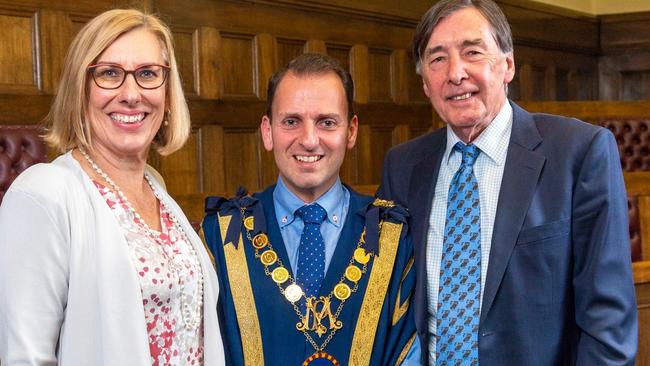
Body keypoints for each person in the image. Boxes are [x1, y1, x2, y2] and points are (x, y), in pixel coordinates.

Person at [378, 0, 638, 365]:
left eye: (472, 51)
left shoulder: (579, 153)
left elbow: (608, 323)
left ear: (508, 65)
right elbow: (387, 305)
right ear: (424, 83)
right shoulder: (402, 167)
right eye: (438, 59)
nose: (456, 73)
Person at [0, 9, 225, 365]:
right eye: (109, 74)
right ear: (81, 89)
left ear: (167, 93)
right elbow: (24, 357)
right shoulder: (42, 194)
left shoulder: (157, 188)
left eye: (149, 74)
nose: (131, 94)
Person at [203, 53, 418, 365]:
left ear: (352, 132)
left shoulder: (394, 237)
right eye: (291, 121)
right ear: (267, 131)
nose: (309, 140)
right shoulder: (220, 236)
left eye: (326, 122)